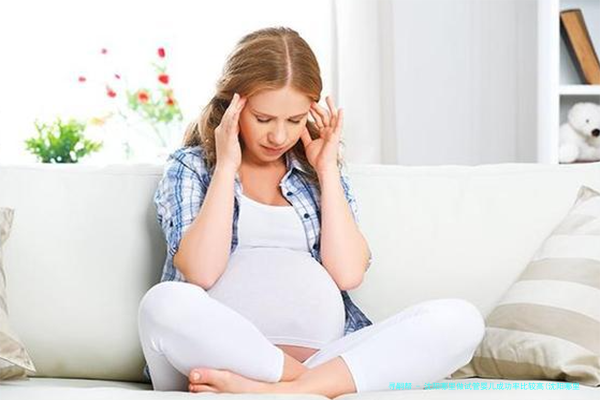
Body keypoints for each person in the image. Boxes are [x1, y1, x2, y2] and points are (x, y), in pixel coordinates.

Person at [137, 26, 485, 398]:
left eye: (295, 120)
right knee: (162, 303)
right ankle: (298, 384)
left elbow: (348, 274)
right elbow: (201, 271)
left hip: (325, 359)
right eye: (263, 119)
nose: (279, 136)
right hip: (212, 360)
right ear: (232, 105)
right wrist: (225, 167)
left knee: (461, 320)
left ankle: (272, 391)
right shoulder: (193, 166)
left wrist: (327, 170)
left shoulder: (315, 172)